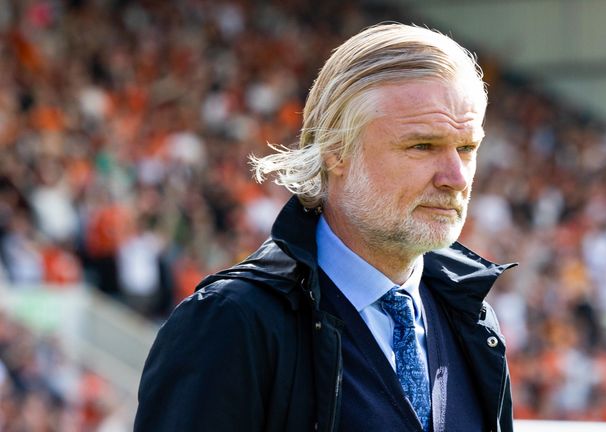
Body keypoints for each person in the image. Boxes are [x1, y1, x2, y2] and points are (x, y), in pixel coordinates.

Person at [134, 23, 515, 432]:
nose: (456, 177)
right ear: (336, 151)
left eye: (467, 148)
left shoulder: (472, 320)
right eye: (422, 146)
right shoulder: (232, 324)